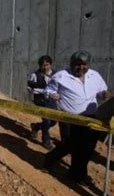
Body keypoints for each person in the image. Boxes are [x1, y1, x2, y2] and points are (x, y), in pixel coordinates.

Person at [44, 50, 110, 183]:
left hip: (91, 119)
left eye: (84, 64)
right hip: (69, 118)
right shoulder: (61, 76)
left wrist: (104, 94)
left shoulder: (94, 75)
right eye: (77, 65)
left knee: (87, 148)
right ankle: (51, 158)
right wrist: (51, 94)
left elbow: (103, 90)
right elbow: (48, 90)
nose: (81, 67)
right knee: (70, 145)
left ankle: (77, 175)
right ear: (71, 64)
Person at [27, 55, 57, 149]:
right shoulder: (35, 75)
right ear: (40, 66)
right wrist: (43, 91)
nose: (45, 67)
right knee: (47, 121)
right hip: (40, 100)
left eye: (47, 65)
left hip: (51, 101)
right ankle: (46, 141)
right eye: (43, 65)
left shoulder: (56, 75)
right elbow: (30, 88)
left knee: (53, 122)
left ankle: (36, 127)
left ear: (50, 64)